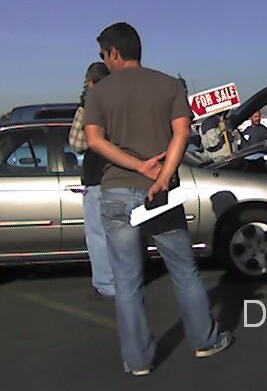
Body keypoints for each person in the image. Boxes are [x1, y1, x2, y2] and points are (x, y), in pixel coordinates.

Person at [84, 22, 231, 376]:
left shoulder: (99, 92)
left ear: (114, 53)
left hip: (116, 190)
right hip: (161, 195)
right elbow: (182, 133)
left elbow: (94, 140)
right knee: (184, 271)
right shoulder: (170, 85)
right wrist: (161, 176)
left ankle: (138, 360)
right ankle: (205, 340)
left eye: (104, 53)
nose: (104, 59)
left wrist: (136, 165)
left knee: (127, 281)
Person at [68, 62, 114, 298]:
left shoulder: (87, 108)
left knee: (98, 235)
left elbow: (76, 143)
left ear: (92, 83)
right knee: (121, 234)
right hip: (119, 177)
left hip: (96, 179)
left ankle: (107, 284)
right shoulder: (120, 105)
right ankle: (126, 279)